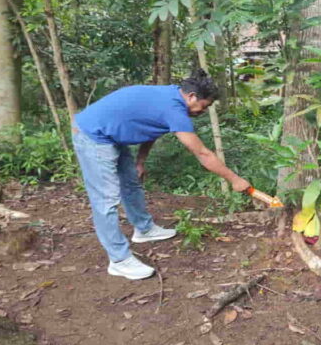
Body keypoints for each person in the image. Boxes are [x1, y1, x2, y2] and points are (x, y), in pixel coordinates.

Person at [72, 70, 251, 280]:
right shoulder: (174, 109)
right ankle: (119, 260)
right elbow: (202, 153)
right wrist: (235, 179)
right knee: (106, 200)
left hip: (112, 134)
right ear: (192, 96)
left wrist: (140, 161)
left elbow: (152, 127)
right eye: (205, 105)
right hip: (93, 135)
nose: (204, 110)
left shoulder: (171, 96)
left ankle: (144, 229)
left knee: (131, 183)